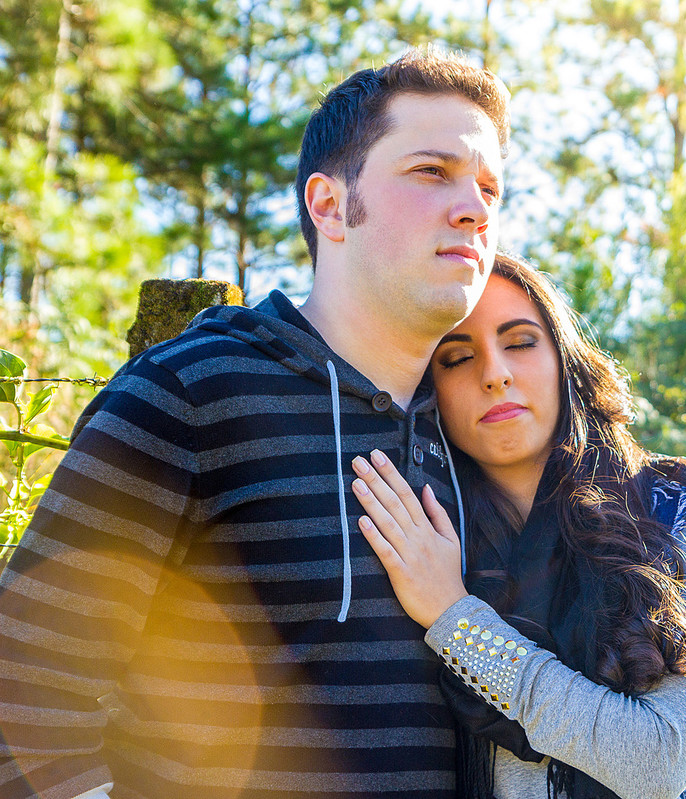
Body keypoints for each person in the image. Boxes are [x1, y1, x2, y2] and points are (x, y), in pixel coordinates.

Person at [0, 48, 508, 799]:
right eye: (432, 171)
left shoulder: (479, 436)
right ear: (329, 206)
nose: (474, 207)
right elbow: (25, 696)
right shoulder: (191, 393)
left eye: (490, 187)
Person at [349, 254, 686, 799]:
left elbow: (657, 764)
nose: (495, 374)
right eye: (457, 357)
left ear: (565, 361)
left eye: (520, 342)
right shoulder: (441, 547)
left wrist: (454, 618)